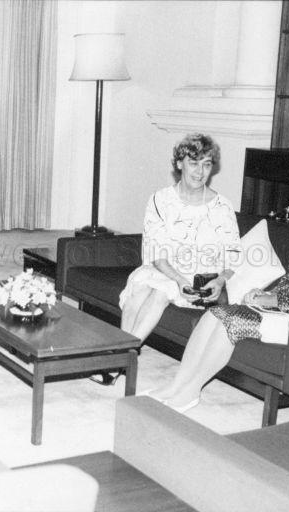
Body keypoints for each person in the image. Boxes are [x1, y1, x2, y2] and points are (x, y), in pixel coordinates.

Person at [150, 170, 289, 412]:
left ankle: (190, 392)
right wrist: (266, 294)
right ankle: (177, 385)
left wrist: (268, 300)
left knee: (231, 320)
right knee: (213, 314)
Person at [92, 134, 241, 386]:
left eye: (206, 164)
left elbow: (233, 256)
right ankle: (122, 356)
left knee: (160, 292)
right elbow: (157, 255)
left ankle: (117, 360)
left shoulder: (222, 207)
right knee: (141, 288)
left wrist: (220, 280)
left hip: (199, 283)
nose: (200, 171)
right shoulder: (160, 200)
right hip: (166, 270)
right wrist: (179, 280)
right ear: (180, 163)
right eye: (193, 163)